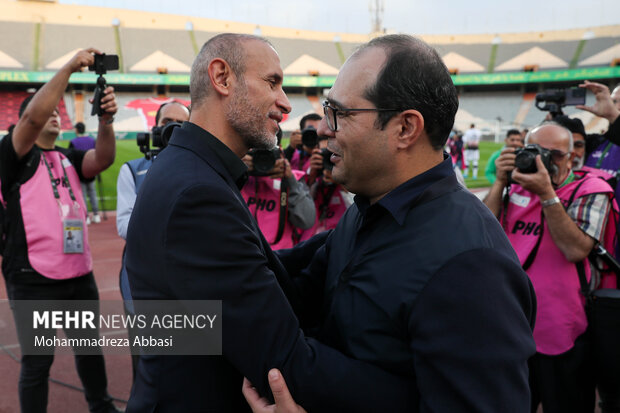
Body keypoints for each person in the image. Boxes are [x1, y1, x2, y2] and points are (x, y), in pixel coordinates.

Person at [125, 33, 417, 413]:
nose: (285, 102)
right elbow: (285, 360)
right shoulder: (196, 193)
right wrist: (419, 395)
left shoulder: (193, 171)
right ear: (222, 78)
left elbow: (262, 268)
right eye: (272, 82)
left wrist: (356, 226)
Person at [249, 34, 536, 413]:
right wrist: (166, 327)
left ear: (405, 129)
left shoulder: (471, 265)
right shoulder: (366, 209)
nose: (322, 129)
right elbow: (289, 294)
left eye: (339, 113)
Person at [0, 48, 120, 413]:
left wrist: (106, 120)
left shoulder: (67, 158)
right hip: (33, 277)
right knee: (38, 363)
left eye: (57, 111)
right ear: (23, 125)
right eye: (45, 110)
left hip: (78, 274)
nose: (54, 112)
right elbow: (33, 119)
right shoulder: (12, 156)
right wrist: (68, 66)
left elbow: (103, 159)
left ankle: (101, 406)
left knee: (89, 350)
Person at [483, 123, 616, 413]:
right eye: (535, 151)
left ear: (572, 157)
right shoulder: (515, 184)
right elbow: (482, 234)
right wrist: (499, 183)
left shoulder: (591, 189)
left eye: (553, 154)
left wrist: (547, 195)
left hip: (563, 329)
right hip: (510, 324)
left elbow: (575, 249)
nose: (543, 160)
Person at [115, 99, 190, 380]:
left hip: (185, 285)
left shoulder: (201, 166)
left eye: (180, 124)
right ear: (154, 127)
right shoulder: (132, 169)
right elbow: (124, 226)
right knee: (145, 366)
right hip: (141, 285)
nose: (171, 129)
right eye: (165, 122)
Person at [241, 132, 316, 250]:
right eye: (256, 152)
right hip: (243, 251)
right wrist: (237, 170)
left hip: (279, 256)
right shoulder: (239, 176)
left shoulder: (292, 179)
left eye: (267, 152)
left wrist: (289, 180)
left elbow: (307, 221)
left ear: (280, 151)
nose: (262, 158)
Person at [69, 122, 101, 224]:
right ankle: (96, 215)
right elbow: (98, 156)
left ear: (77, 130)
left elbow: (70, 159)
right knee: (92, 193)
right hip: (92, 171)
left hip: (79, 172)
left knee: (82, 195)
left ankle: (86, 216)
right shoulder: (92, 141)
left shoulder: (73, 142)